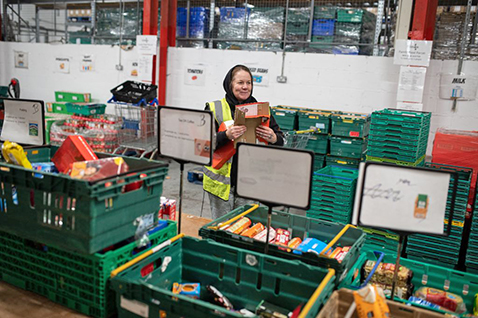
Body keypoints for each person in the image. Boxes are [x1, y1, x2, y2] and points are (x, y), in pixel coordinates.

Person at [203, 64, 284, 219]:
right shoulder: (215, 108)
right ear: (230, 84)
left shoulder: (262, 110)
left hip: (250, 184)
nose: (245, 87)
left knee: (244, 229)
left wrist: (273, 137)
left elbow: (281, 140)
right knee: (221, 228)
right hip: (221, 185)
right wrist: (225, 135)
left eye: (248, 83)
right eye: (240, 82)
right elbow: (202, 144)